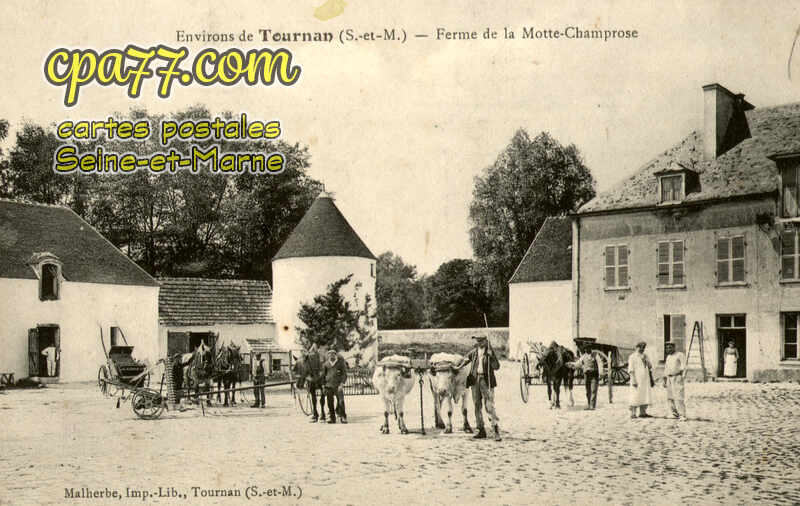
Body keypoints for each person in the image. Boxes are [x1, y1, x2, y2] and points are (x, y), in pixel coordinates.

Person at [461, 335, 501, 441]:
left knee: (489, 405)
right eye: (477, 341)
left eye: (481, 341)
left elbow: (497, 367)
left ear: (486, 341)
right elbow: (465, 359)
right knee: (477, 405)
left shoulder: (489, 352)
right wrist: (458, 366)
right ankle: (481, 430)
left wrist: (491, 357)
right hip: (475, 380)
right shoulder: (474, 352)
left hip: (486, 380)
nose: (479, 343)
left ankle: (495, 429)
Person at [628, 341, 653, 418]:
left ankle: (643, 412)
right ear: (637, 347)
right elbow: (631, 369)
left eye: (643, 347)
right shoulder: (632, 356)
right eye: (640, 347)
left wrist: (646, 360)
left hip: (645, 378)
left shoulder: (645, 356)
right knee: (635, 395)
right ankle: (633, 413)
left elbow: (650, 367)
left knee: (644, 394)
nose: (642, 349)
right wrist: (633, 380)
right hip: (637, 378)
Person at [663, 342, 687, 420]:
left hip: (677, 377)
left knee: (679, 396)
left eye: (670, 347)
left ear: (674, 347)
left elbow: (684, 367)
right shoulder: (668, 357)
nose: (668, 349)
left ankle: (682, 414)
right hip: (669, 378)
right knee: (670, 397)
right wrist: (664, 379)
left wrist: (682, 377)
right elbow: (666, 369)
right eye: (667, 348)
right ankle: (674, 413)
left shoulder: (680, 355)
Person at [301, 344, 325, 422]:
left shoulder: (320, 356)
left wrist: (319, 376)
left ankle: (322, 413)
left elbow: (323, 368)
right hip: (312, 377)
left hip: (320, 376)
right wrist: (308, 378)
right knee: (313, 396)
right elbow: (304, 369)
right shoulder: (307, 358)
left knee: (323, 394)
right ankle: (315, 413)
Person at [322, 348, 347, 423]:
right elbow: (323, 375)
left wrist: (342, 384)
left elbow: (344, 374)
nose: (331, 356)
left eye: (333, 354)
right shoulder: (326, 364)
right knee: (330, 402)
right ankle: (332, 418)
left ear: (335, 355)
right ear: (328, 356)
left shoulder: (340, 363)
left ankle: (343, 416)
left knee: (341, 401)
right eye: (330, 354)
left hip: (338, 386)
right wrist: (323, 385)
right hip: (329, 385)